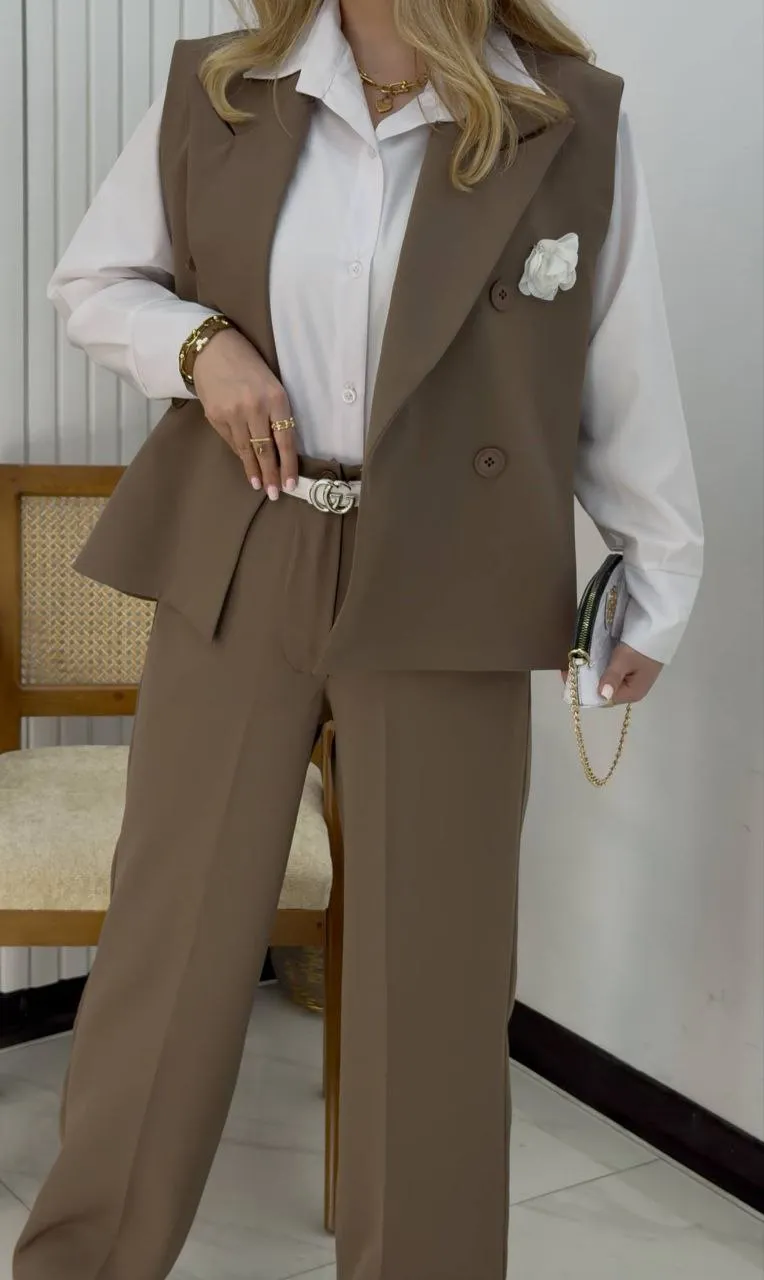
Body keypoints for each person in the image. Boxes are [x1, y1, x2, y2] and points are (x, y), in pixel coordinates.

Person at [12, 0, 703, 1277]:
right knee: (171, 943)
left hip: (451, 565)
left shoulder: (565, 113)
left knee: (433, 971)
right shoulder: (220, 88)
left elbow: (620, 361)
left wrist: (657, 571)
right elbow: (95, 283)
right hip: (244, 544)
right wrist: (203, 346)